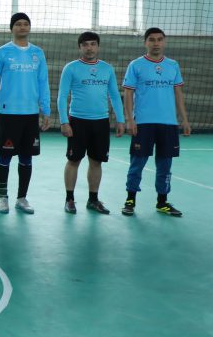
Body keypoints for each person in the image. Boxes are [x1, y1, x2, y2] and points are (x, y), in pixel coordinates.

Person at [121, 27, 191, 217]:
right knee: (137, 164)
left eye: (160, 39)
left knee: (165, 166)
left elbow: (178, 93)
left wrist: (184, 119)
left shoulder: (173, 65)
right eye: (151, 39)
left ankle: (162, 202)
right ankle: (130, 200)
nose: (156, 43)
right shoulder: (136, 65)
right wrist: (129, 119)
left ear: (164, 42)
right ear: (145, 43)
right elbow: (128, 93)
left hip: (168, 124)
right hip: (143, 124)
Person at [0, 12, 51, 214]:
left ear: (29, 27)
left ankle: (21, 198)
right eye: (18, 24)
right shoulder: (2, 52)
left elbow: (43, 83)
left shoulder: (38, 53)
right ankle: (2, 198)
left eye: (25, 24)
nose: (22, 27)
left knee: (26, 157)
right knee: (5, 156)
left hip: (30, 114)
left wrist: (46, 110)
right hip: (8, 113)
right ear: (11, 28)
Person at [57, 31, 125, 214]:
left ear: (98, 47)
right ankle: (69, 199)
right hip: (77, 122)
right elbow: (62, 96)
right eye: (85, 44)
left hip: (101, 122)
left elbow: (115, 96)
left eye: (93, 44)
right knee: (73, 160)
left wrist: (121, 120)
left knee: (96, 162)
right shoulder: (71, 68)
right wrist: (64, 121)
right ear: (80, 47)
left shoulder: (107, 69)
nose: (89, 48)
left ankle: (93, 200)